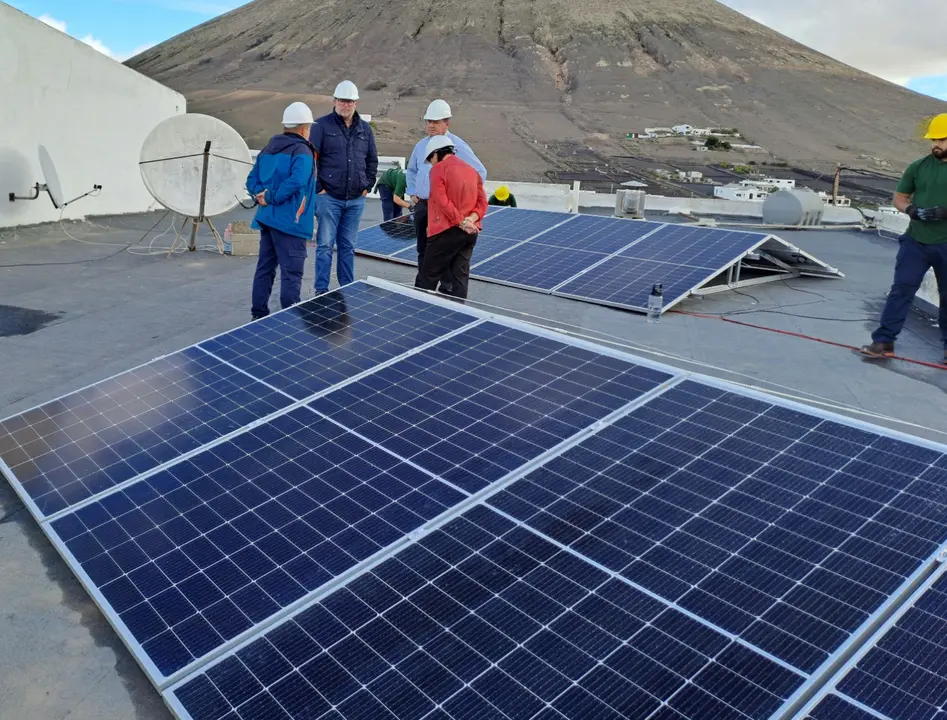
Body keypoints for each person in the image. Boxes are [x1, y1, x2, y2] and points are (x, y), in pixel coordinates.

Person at [860, 112, 947, 364]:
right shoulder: (918, 166)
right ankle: (884, 341)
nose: (936, 144)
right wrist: (911, 210)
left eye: (942, 139)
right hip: (916, 242)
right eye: (934, 139)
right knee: (901, 290)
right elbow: (900, 197)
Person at [405, 99, 487, 290]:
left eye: (436, 121)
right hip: (424, 206)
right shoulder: (421, 146)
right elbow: (411, 170)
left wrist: (464, 207)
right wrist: (413, 192)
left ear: (447, 123)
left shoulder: (457, 146)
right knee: (424, 251)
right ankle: (427, 289)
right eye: (428, 122)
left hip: (449, 211)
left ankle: (444, 292)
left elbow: (479, 173)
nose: (431, 125)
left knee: (448, 255)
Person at [246, 101, 316, 320]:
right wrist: (271, 196)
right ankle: (290, 321)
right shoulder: (302, 150)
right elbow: (298, 181)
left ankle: (258, 317)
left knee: (264, 270)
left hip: (267, 220)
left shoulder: (268, 148)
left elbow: (251, 179)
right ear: (305, 128)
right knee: (291, 274)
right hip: (291, 223)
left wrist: (260, 194)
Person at [310, 80, 378, 294]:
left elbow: (372, 160)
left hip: (356, 198)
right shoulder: (321, 126)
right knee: (324, 246)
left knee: (348, 246)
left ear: (356, 103)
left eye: (349, 101)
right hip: (328, 197)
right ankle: (321, 290)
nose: (345, 105)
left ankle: (347, 288)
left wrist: (367, 184)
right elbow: (311, 159)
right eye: (341, 100)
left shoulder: (364, 129)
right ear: (334, 101)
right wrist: (319, 187)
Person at [415, 135, 487, 301]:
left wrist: (460, 221)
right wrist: (471, 219)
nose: (431, 164)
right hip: (470, 232)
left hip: (445, 231)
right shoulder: (471, 170)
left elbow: (441, 200)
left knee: (427, 277)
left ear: (436, 154)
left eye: (431, 159)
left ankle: (418, 315)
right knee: (459, 279)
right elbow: (482, 202)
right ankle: (457, 318)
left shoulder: (438, 169)